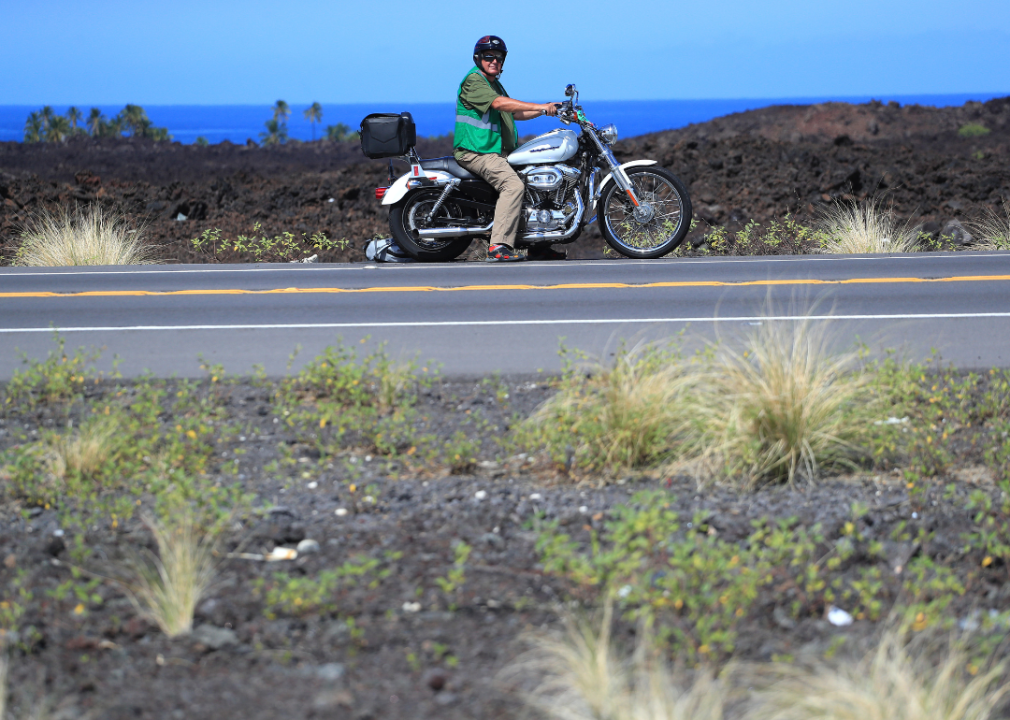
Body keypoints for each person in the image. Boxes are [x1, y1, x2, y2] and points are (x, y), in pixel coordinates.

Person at [454, 35, 565, 262]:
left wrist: (548, 109)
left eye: (498, 57)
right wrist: (541, 106)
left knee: (533, 181)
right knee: (513, 186)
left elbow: (514, 113)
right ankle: (498, 246)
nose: (494, 61)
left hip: (494, 151)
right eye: (488, 56)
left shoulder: (493, 83)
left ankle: (537, 244)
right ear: (478, 58)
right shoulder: (473, 81)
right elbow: (499, 104)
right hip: (476, 152)